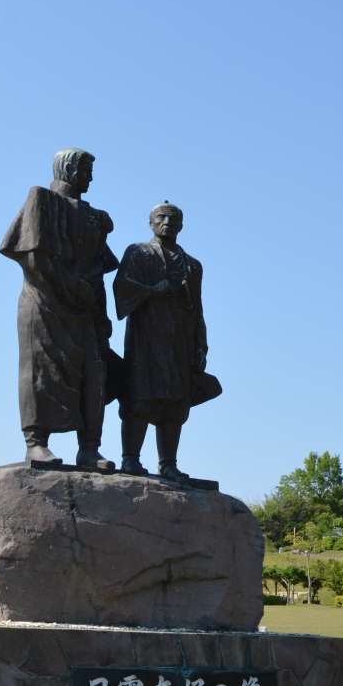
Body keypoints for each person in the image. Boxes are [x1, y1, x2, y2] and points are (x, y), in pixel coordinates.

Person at [0, 148, 118, 470]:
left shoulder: (94, 217)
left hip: (84, 308)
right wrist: (72, 284)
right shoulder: (42, 200)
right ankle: (36, 443)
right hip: (44, 302)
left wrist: (102, 313)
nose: (90, 177)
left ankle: (89, 448)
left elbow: (99, 271)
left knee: (94, 370)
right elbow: (34, 258)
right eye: (87, 170)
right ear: (70, 170)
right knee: (39, 369)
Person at [113, 202, 221, 480]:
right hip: (146, 339)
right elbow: (121, 287)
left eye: (174, 219)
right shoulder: (138, 252)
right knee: (140, 396)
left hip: (180, 341)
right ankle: (130, 459)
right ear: (150, 223)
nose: (167, 222)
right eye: (161, 217)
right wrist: (151, 291)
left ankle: (168, 464)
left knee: (175, 402)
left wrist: (200, 345)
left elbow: (198, 309)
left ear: (182, 225)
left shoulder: (192, 265)